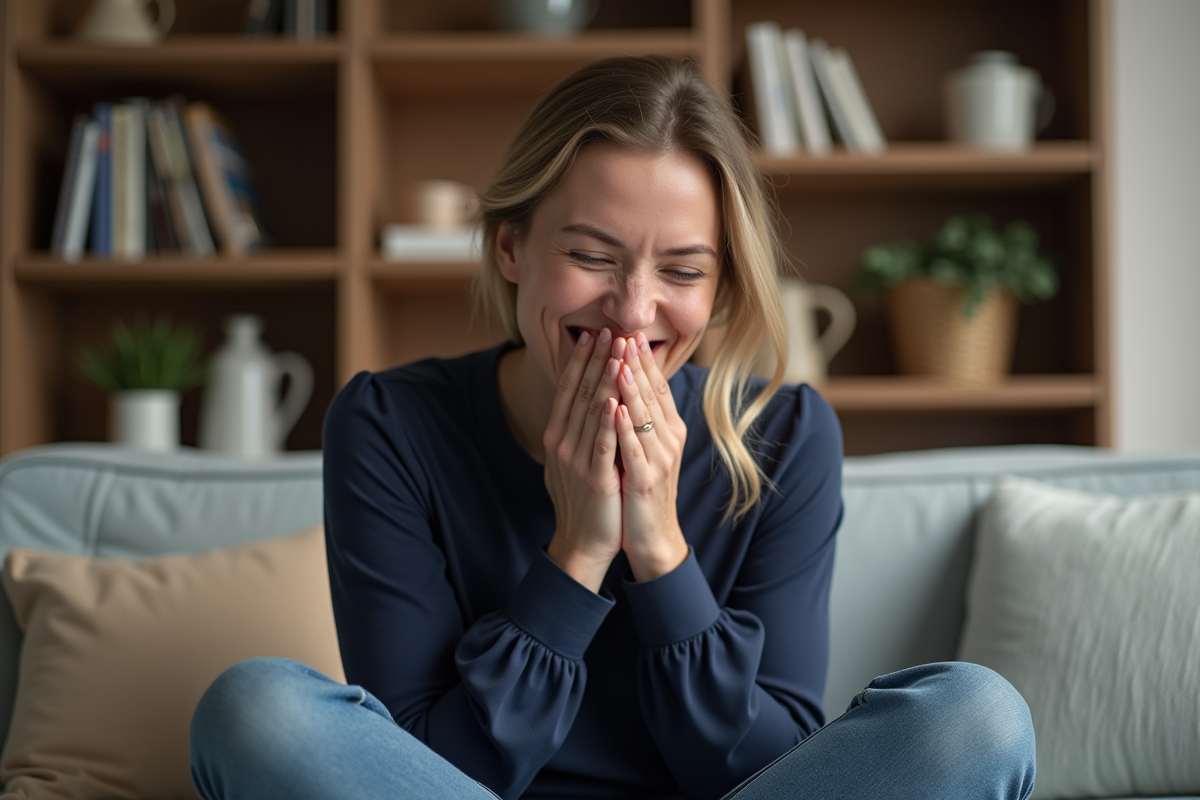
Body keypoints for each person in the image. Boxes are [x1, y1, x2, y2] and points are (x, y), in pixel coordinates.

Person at [190, 55, 1035, 800]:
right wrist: (578, 552)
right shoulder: (390, 424)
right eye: (592, 256)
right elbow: (415, 765)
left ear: (721, 286)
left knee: (976, 717)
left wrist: (659, 549)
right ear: (511, 248)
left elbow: (769, 769)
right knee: (255, 709)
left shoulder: (786, 432)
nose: (634, 312)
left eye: (682, 270)